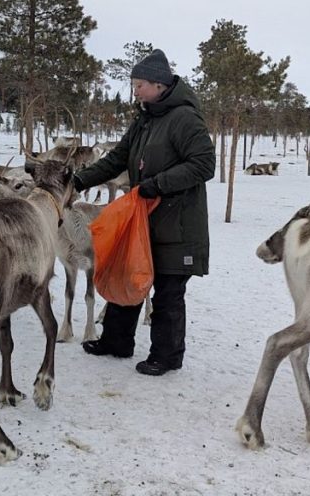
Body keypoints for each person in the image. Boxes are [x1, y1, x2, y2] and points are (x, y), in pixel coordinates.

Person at [74, 49, 215, 376]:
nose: (134, 90)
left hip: (178, 223)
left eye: (139, 85)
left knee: (167, 291)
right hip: (143, 220)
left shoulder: (184, 118)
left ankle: (166, 356)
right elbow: (117, 159)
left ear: (159, 84)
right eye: (134, 84)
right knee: (128, 276)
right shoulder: (145, 119)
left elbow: (204, 164)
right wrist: (80, 179)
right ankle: (116, 341)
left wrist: (158, 184)